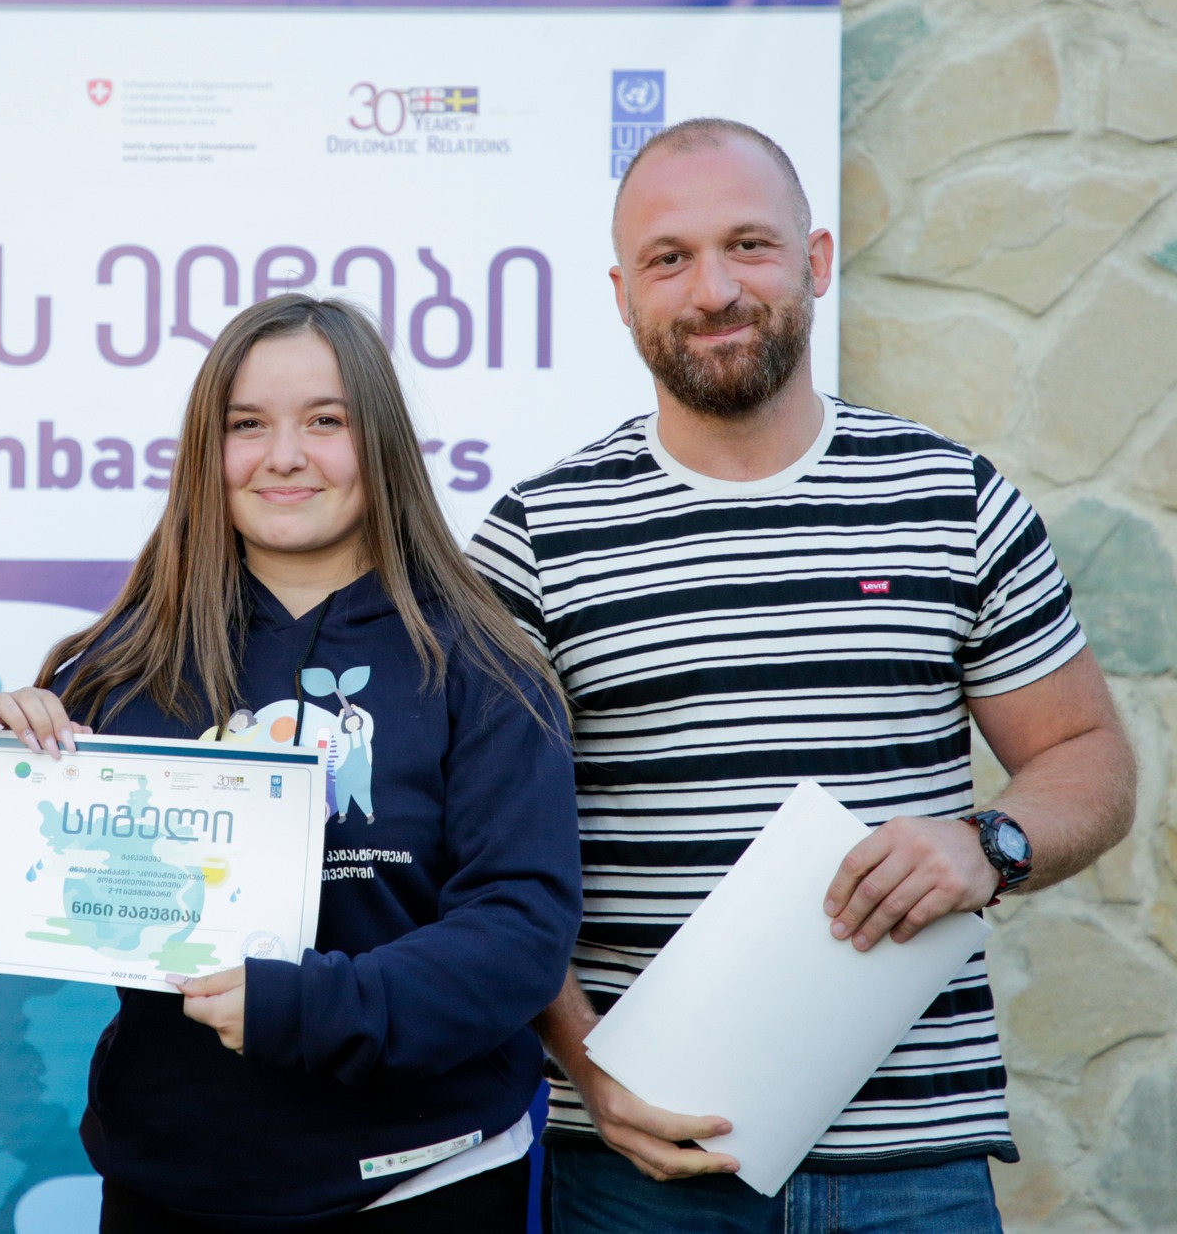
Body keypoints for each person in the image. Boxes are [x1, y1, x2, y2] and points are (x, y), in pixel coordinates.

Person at [467, 119, 1138, 1232]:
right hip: (642, 1165)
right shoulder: (536, 537)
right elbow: (483, 849)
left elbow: (1086, 756)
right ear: (621, 295)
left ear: (815, 261)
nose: (713, 289)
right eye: (668, 258)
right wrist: (586, 1068)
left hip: (911, 1165)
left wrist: (989, 843)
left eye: (750, 244)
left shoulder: (951, 499)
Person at [0, 294, 581, 1230]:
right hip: (169, 1187)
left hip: (422, 1179)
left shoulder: (482, 667)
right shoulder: (117, 669)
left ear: (382, 443)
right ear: (210, 451)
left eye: (326, 421)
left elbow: (519, 933)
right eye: (248, 425)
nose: (284, 455)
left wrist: (304, 1007)